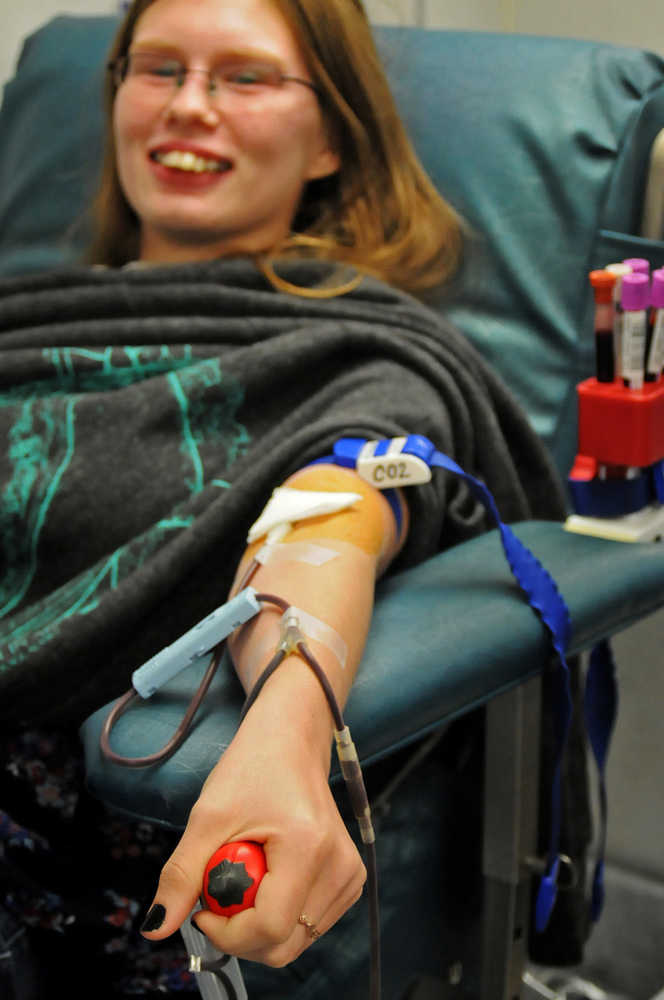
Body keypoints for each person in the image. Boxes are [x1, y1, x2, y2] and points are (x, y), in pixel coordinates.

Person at [0, 1, 590, 996]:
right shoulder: (27, 324)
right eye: (159, 68)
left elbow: (332, 511)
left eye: (245, 77)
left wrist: (285, 727)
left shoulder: (361, 351)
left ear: (329, 139)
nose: (189, 105)